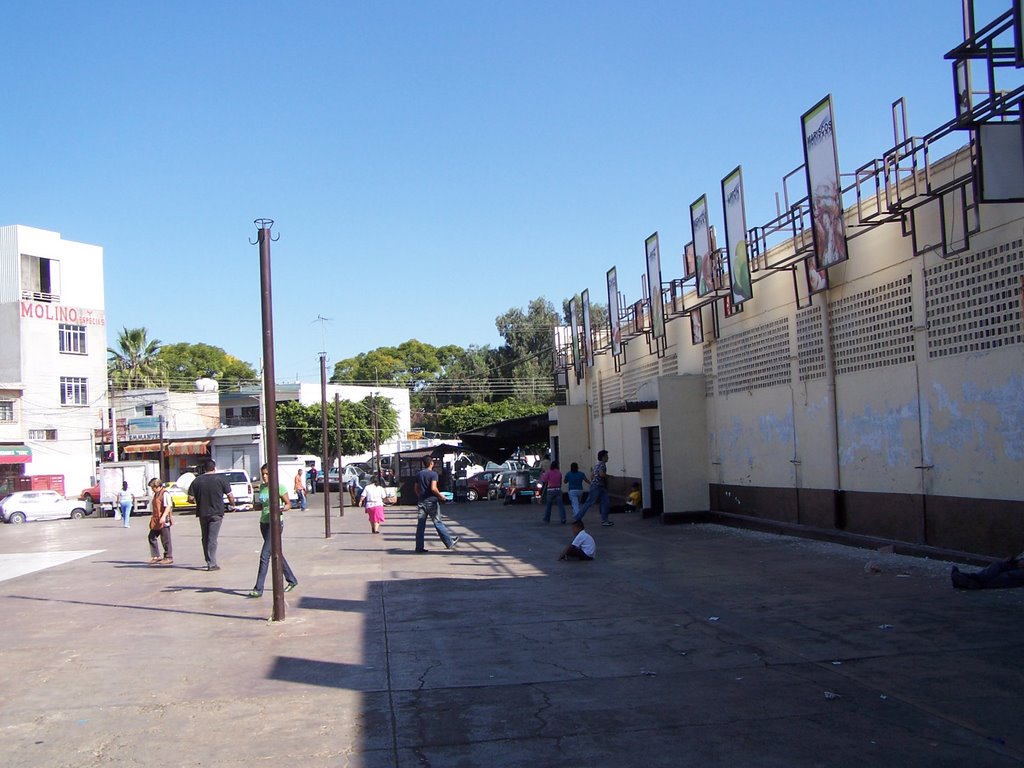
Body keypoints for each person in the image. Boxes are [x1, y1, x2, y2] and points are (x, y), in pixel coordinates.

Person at [247, 464, 298, 598]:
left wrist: (278, 510)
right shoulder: (263, 487)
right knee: (276, 552)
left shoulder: (279, 487)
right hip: (264, 523)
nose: (264, 476)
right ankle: (292, 580)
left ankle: (258, 588)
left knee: (265, 555)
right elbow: (262, 505)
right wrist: (251, 506)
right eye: (262, 474)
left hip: (275, 524)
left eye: (267, 474)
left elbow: (288, 504)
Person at [187, 459, 236, 571]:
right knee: (212, 538)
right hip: (217, 513)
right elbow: (230, 496)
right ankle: (212, 563)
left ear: (204, 469)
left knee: (205, 537)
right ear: (214, 468)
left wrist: (198, 501)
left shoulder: (197, 481)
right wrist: (233, 505)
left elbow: (190, 499)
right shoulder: (221, 479)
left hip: (202, 512)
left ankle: (208, 559)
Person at [415, 457, 459, 552]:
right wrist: (440, 496)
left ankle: (419, 547)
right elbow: (433, 488)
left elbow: (416, 488)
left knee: (421, 525)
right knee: (438, 522)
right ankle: (449, 542)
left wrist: (421, 496)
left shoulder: (419, 474)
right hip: (432, 502)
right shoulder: (433, 474)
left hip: (421, 502)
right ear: (431, 463)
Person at [576, 450, 613, 527]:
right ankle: (578, 517)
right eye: (606, 456)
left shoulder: (596, 465)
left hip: (597, 486)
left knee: (604, 502)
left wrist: (594, 481)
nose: (608, 458)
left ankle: (605, 520)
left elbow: (592, 475)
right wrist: (610, 477)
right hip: (599, 486)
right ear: (603, 457)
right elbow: (602, 474)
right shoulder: (602, 465)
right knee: (594, 502)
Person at [950, 553, 1024, 590]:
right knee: (998, 564)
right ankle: (975, 578)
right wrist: (1016, 561)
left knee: (1007, 576)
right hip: (1018, 566)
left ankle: (973, 582)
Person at [146, 478, 173, 565]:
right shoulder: (156, 494)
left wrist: (163, 516)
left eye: (153, 488)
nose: (152, 490)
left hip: (163, 520)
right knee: (151, 536)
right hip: (156, 520)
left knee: (165, 539)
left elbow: (168, 506)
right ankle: (156, 556)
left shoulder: (165, 494)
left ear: (158, 486)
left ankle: (168, 557)